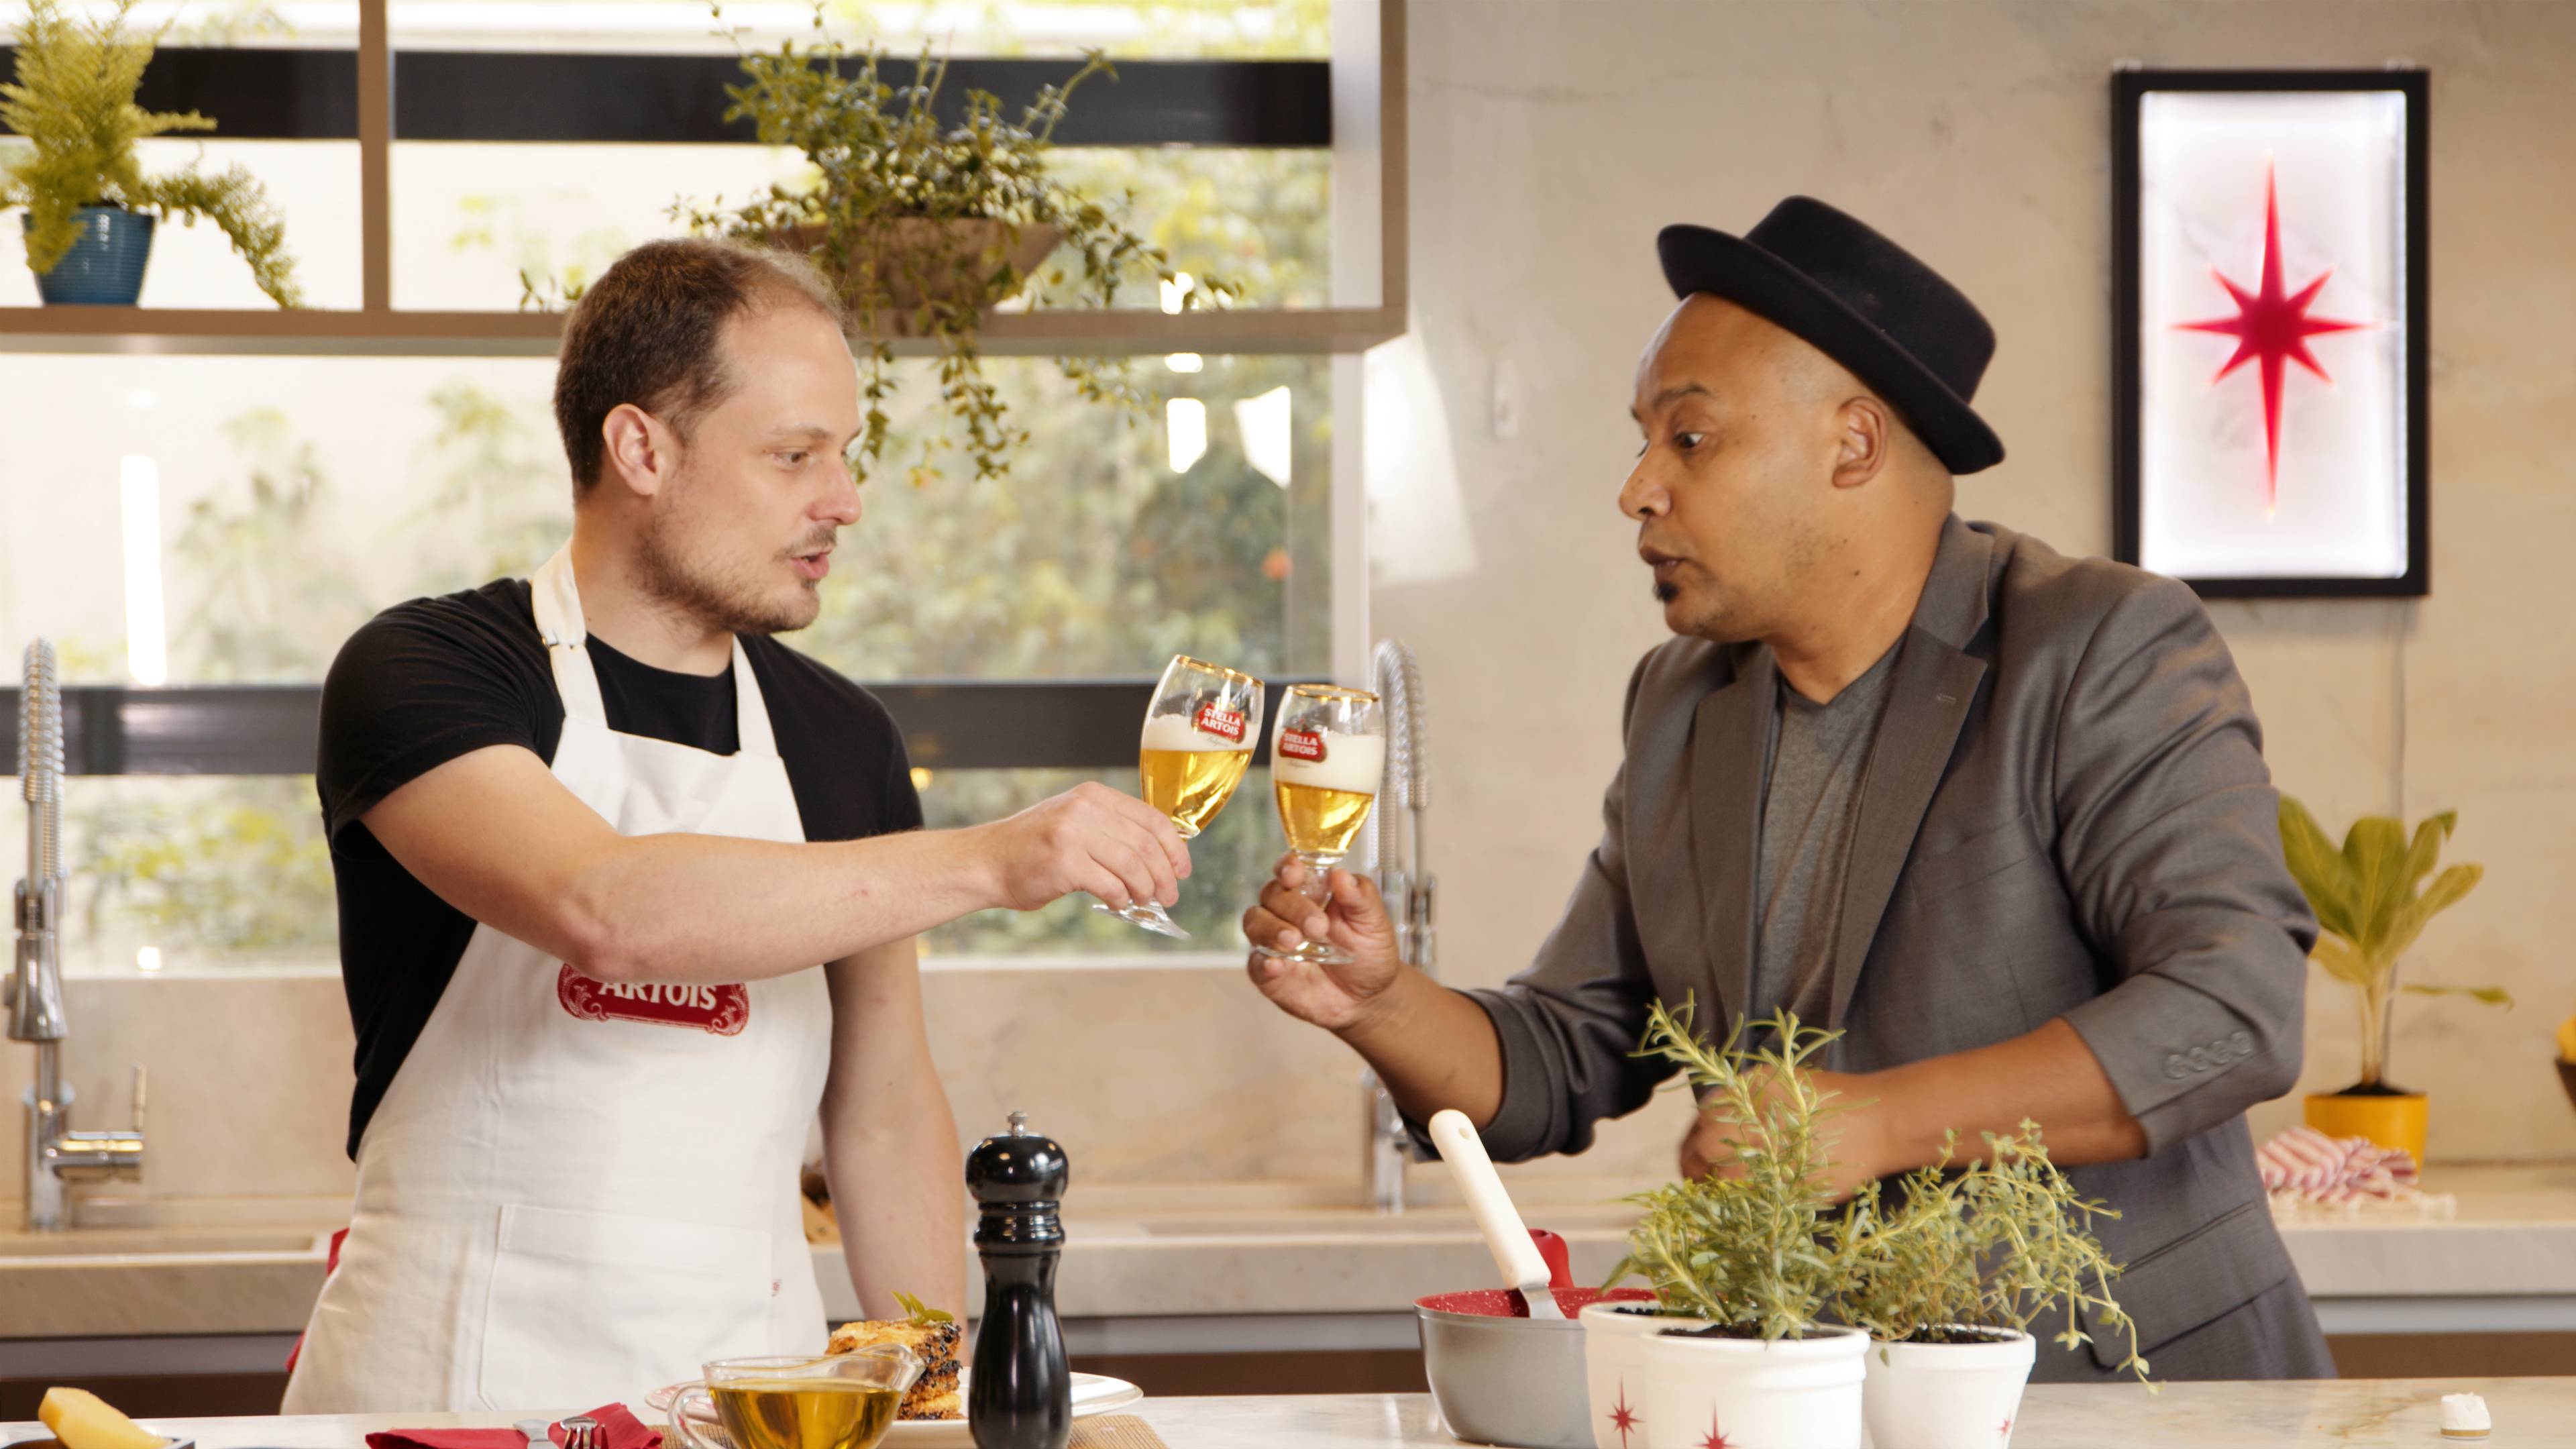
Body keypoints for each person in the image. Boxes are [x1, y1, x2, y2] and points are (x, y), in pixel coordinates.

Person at [1242, 198, 2334, 1381]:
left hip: (2129, 1396)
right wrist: (1379, 1004)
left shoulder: (2096, 645)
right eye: (1644, 440)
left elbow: (2235, 1008)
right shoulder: (1681, 704)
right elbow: (1563, 1054)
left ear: (1853, 445)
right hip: (1817, 1398)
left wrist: (1875, 1120)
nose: (1638, 489)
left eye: (1691, 439)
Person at [284, 238, 1191, 1412]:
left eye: (845, 454)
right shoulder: (429, 670)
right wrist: (990, 856)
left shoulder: (839, 739)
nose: (844, 501)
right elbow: (602, 910)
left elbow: (881, 1106)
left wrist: (935, 1386)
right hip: (448, 1396)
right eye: (793, 455)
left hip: (753, 1400)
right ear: (641, 448)